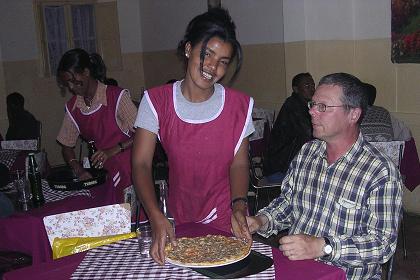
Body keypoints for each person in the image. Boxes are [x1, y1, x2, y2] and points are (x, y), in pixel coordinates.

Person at [234, 73, 403, 279]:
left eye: (323, 107)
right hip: (298, 269)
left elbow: (382, 244)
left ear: (353, 114)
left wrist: (324, 247)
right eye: (312, 105)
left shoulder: (379, 171)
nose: (312, 112)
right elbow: (289, 203)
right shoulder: (308, 153)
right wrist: (261, 220)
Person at [132, 8, 254, 265]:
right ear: (188, 49)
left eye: (223, 61)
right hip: (174, 218)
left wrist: (240, 205)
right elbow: (141, 164)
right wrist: (155, 216)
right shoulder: (156, 102)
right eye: (206, 54)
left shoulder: (239, 106)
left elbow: (240, 163)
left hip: (225, 216)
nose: (213, 67)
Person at [56, 48, 138, 204]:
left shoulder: (116, 97)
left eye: (74, 81)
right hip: (101, 170)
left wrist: (114, 149)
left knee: (127, 217)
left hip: (128, 167)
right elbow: (66, 146)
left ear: (86, 72)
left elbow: (144, 133)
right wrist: (78, 169)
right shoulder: (74, 107)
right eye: (67, 83)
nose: (71, 87)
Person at [263, 73, 314, 181]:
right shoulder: (293, 107)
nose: (312, 89)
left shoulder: (304, 105)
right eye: (307, 86)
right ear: (296, 89)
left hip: (288, 165)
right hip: (281, 169)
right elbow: (308, 134)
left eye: (313, 85)